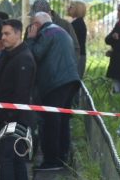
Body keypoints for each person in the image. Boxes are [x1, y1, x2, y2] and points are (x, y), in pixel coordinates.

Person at [0, 19, 36, 180]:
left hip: (16, 118)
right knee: (15, 158)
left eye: (7, 34)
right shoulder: (9, 56)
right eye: (2, 34)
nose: (3, 37)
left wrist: (9, 118)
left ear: (18, 34)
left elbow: (21, 93)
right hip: (7, 117)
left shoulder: (23, 59)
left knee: (7, 158)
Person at [27, 11, 80, 171]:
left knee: (51, 122)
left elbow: (34, 55)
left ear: (36, 24)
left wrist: (30, 39)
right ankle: (62, 157)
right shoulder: (61, 31)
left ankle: (51, 160)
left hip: (54, 83)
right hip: (70, 80)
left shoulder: (46, 33)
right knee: (62, 121)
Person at [68, 0, 88, 79]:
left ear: (77, 9)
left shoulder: (77, 24)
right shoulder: (77, 22)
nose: (68, 8)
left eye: (71, 6)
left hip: (77, 55)